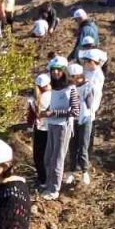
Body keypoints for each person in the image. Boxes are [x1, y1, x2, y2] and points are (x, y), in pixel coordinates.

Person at [40, 60, 79, 201]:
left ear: (64, 71)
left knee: (57, 158)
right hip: (51, 124)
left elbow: (75, 111)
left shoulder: (71, 89)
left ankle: (54, 189)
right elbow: (54, 104)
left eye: (59, 69)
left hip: (63, 126)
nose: (56, 72)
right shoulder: (55, 88)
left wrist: (54, 113)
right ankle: (49, 184)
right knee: (48, 157)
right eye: (53, 70)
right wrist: (46, 111)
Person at [67, 57, 102, 187]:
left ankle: (84, 172)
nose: (71, 79)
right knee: (72, 145)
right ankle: (71, 171)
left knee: (83, 146)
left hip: (85, 118)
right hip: (73, 119)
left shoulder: (88, 86)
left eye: (73, 77)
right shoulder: (69, 87)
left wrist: (79, 98)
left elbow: (89, 104)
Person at [28, 73, 51, 188]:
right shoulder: (54, 96)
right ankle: (51, 179)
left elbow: (30, 118)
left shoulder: (34, 100)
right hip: (53, 129)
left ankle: (42, 180)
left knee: (39, 156)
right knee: (51, 155)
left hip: (40, 129)